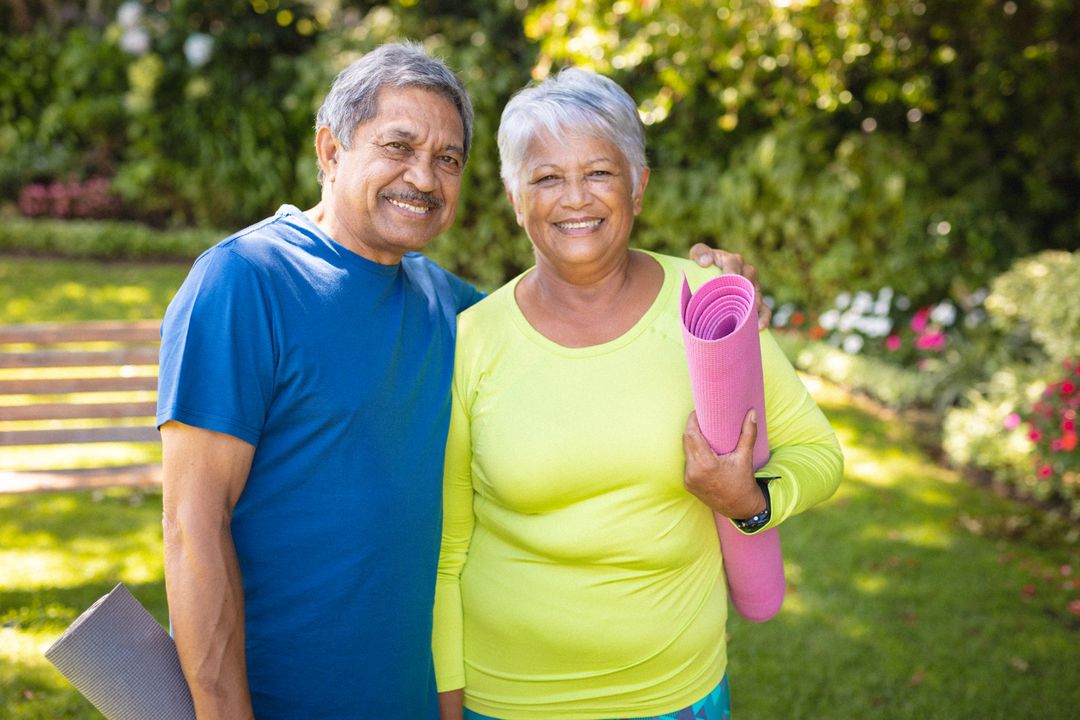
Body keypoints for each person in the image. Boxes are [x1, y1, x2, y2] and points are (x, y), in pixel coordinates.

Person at [157, 43, 760, 719]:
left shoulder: (460, 312)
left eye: (447, 159)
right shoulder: (247, 281)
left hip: (424, 698)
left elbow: (586, 333)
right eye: (399, 145)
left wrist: (711, 294)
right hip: (282, 699)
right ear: (330, 151)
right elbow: (191, 527)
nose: (423, 176)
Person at [432, 69, 843, 720]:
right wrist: (449, 706)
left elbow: (819, 453)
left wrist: (753, 501)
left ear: (638, 185)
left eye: (598, 172)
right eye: (545, 177)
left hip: (675, 693)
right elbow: (448, 551)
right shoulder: (473, 341)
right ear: (515, 197)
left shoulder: (707, 308)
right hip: (505, 696)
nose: (574, 199)